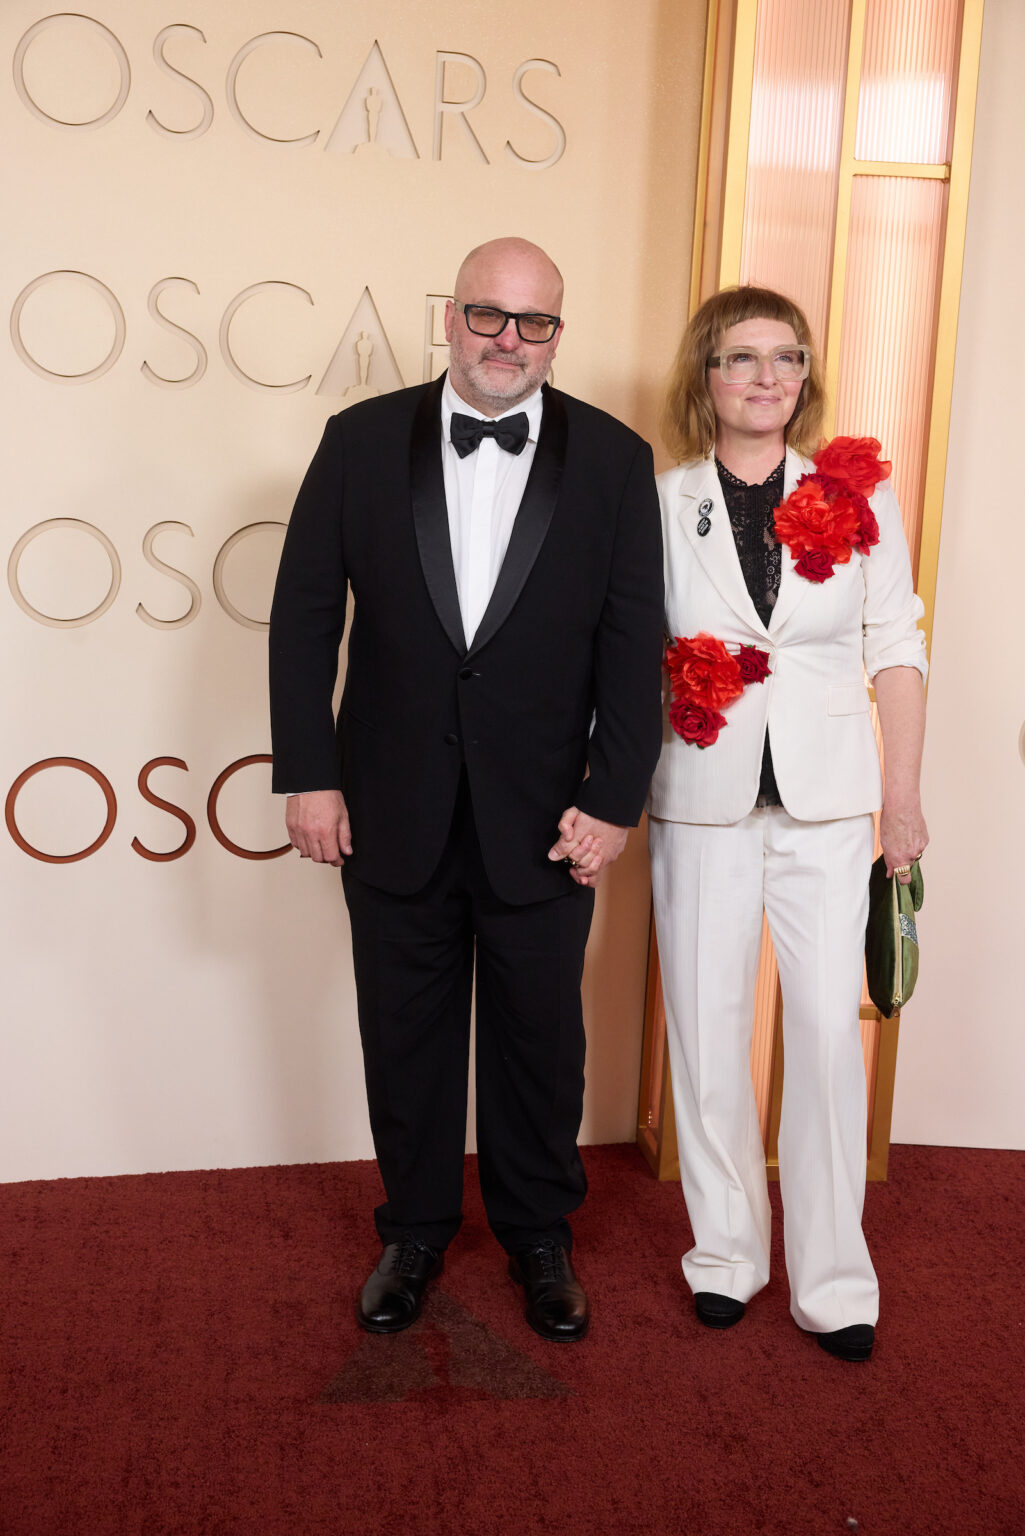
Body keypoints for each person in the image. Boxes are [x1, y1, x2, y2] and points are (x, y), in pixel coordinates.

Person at [268, 237, 664, 1342]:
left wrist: (613, 796)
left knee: (542, 1045)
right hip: (387, 803)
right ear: (449, 316)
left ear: (556, 334)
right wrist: (308, 776)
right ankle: (415, 1233)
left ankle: (541, 1240)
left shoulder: (614, 459)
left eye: (532, 323)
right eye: (488, 316)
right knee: (403, 1035)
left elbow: (633, 650)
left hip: (550, 820)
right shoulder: (357, 442)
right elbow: (306, 619)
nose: (507, 340)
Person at [648, 285, 928, 1362]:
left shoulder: (857, 498)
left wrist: (899, 799)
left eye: (784, 358)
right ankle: (724, 1254)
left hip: (827, 805)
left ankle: (832, 1278)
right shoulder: (660, 499)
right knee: (706, 1033)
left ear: (803, 376)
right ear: (703, 378)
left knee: (821, 1038)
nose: (764, 378)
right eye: (738, 358)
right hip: (699, 796)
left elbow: (893, 647)